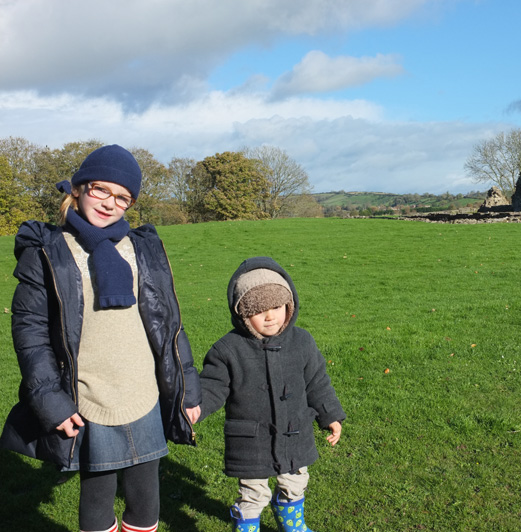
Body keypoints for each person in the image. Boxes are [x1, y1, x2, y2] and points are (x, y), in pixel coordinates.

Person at [0, 144, 202, 532]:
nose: (110, 203)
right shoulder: (47, 250)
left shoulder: (142, 247)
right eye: (101, 189)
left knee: (146, 499)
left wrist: (187, 390)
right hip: (89, 399)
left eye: (123, 197)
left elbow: (168, 324)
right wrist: (51, 402)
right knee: (97, 496)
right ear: (78, 188)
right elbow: (30, 334)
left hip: (143, 394)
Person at [197, 256, 345, 532]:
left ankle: (292, 525)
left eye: (276, 307)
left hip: (294, 434)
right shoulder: (228, 350)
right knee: (253, 494)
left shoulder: (302, 342)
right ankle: (247, 525)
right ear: (242, 313)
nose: (269, 316)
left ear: (289, 305)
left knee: (295, 482)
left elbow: (317, 382)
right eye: (258, 310)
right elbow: (212, 386)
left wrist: (330, 416)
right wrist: (195, 408)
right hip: (251, 440)